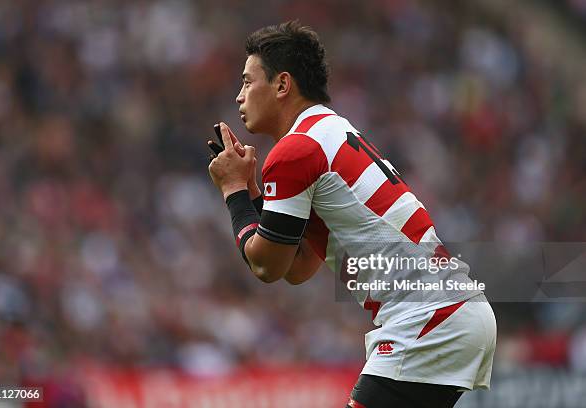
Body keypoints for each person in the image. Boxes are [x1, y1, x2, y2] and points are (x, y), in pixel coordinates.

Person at [207, 20, 496, 408]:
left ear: (281, 85)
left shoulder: (295, 151)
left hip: (430, 319)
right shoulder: (328, 131)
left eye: (246, 81)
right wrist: (258, 195)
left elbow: (267, 266)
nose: (239, 96)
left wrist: (234, 192)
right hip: (448, 311)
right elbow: (298, 267)